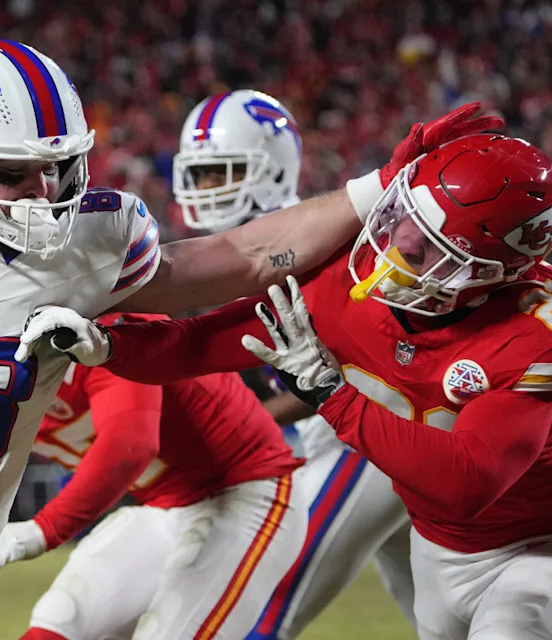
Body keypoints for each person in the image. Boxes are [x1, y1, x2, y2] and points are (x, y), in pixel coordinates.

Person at [0, 33, 494, 635]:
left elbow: (242, 255)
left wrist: (379, 186)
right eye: (12, 173)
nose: (45, 193)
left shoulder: (94, 247)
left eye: (60, 167)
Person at [18, 133, 552, 638]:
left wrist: (332, 394)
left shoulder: (541, 330)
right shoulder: (345, 286)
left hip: (550, 539)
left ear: (489, 275)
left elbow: (468, 482)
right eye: (399, 221)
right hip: (438, 547)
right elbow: (199, 343)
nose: (392, 249)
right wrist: (109, 347)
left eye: (425, 248)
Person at [172, 88, 415, 636]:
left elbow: (341, 373)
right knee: (443, 619)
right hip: (366, 436)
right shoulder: (244, 250)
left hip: (370, 433)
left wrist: (248, 423)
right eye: (202, 174)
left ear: (271, 166)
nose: (208, 189)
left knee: (260, 606)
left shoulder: (307, 244)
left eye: (223, 171)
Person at [0, 311, 306, 640]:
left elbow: (130, 443)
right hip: (162, 508)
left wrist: (39, 531)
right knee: (60, 621)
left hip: (248, 491)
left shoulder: (98, 332)